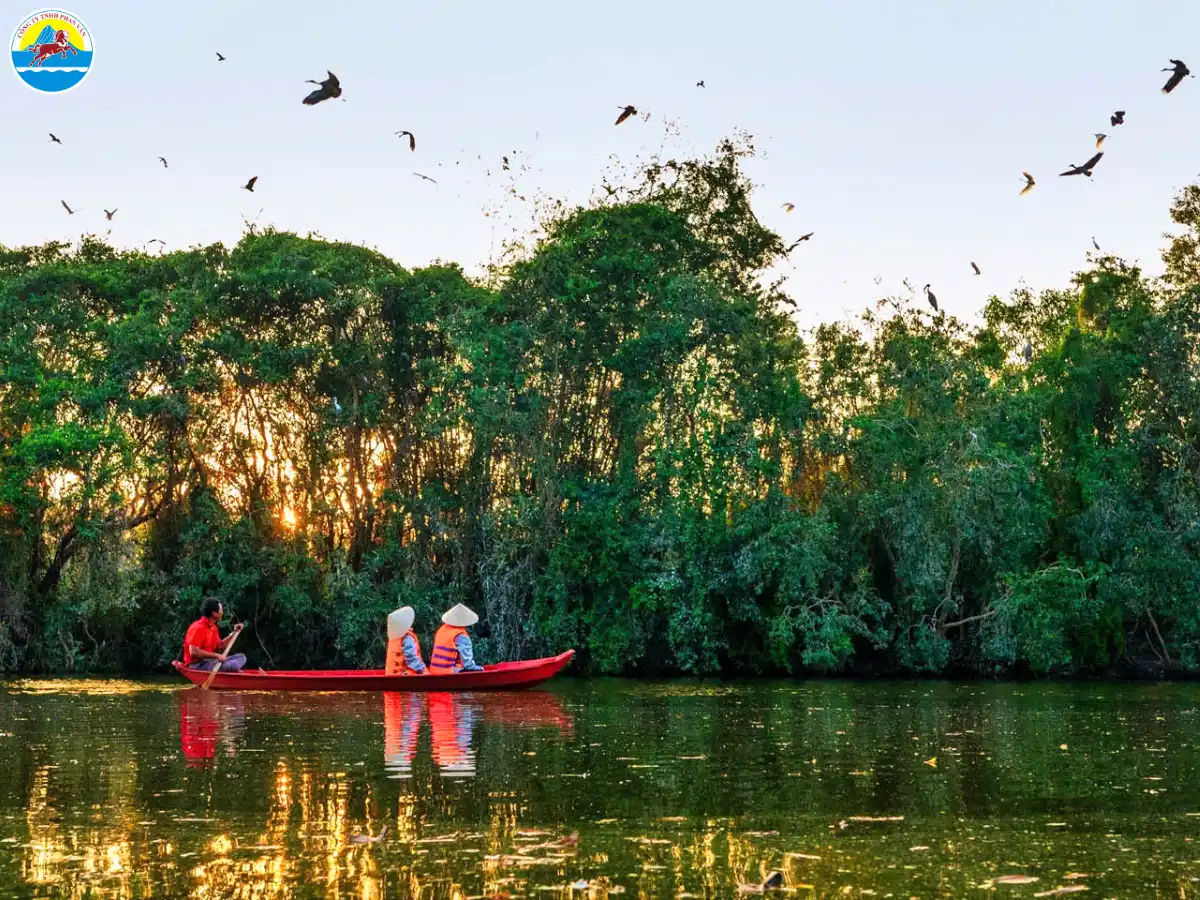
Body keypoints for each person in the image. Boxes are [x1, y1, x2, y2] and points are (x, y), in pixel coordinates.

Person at [183, 598, 246, 672]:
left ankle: (229, 668)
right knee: (233, 664)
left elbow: (220, 647)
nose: (222, 612)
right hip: (197, 665)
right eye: (221, 610)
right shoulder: (198, 627)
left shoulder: (213, 628)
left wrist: (234, 633)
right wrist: (216, 656)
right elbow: (193, 652)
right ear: (214, 613)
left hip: (210, 662)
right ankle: (231, 668)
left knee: (241, 657)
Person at [429, 604, 484, 674]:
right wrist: (479, 669)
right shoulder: (460, 635)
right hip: (449, 672)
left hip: (434, 670)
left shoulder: (442, 629)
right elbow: (467, 664)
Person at [384, 606, 426, 675]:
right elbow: (411, 659)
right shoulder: (407, 638)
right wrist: (423, 670)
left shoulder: (394, 638)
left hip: (390, 676)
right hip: (403, 678)